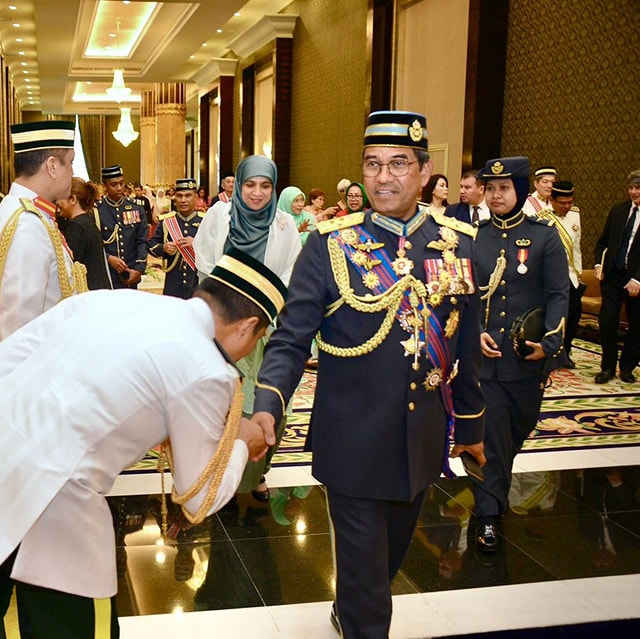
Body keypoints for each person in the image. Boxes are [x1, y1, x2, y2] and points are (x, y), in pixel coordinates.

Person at [0, 249, 286, 639]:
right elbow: (200, 496)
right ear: (246, 326)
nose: (253, 347)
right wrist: (242, 442)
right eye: (259, 337)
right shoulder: (208, 370)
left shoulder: (111, 299)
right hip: (53, 508)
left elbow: (4, 362)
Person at [251, 111, 486, 639]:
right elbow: (291, 337)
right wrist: (266, 403)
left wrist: (470, 430)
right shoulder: (329, 244)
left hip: (421, 439)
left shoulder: (456, 241)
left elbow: (464, 346)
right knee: (371, 597)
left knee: (382, 564)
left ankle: (350, 607)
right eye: (373, 164)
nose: (383, 177)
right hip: (351, 440)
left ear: (424, 172)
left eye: (399, 163)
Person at [471, 156, 568, 555]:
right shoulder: (473, 236)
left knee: (517, 429)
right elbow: (464, 293)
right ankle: (488, 512)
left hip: (527, 358)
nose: (495, 195)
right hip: (485, 360)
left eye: (504, 188)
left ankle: (494, 488)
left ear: (521, 192)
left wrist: (550, 343)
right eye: (490, 188)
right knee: (490, 435)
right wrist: (474, 334)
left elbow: (559, 294)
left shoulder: (544, 236)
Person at [194, 155, 301, 502]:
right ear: (239, 184)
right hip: (220, 328)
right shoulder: (218, 215)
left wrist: (263, 315)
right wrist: (226, 311)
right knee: (219, 402)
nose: (257, 193)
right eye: (250, 184)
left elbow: (289, 274)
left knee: (266, 400)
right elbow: (204, 260)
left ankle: (256, 474)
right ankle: (218, 471)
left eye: (266, 186)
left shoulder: (285, 225)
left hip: (265, 328)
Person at [0, 121, 85, 344]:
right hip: (37, 370)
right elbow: (22, 330)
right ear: (52, 166)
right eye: (70, 163)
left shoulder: (26, 212)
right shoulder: (26, 224)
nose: (72, 172)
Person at [592, 169, 640, 384]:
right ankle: (607, 367)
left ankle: (627, 367)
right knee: (607, 321)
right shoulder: (619, 210)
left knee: (637, 326)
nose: (633, 192)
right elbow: (603, 241)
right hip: (613, 277)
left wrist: (638, 279)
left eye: (637, 188)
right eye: (630, 188)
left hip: (637, 280)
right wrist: (599, 263)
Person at [535, 181, 583, 366]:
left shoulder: (575, 215)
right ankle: (549, 351)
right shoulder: (541, 218)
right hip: (550, 276)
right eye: (563, 203)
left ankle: (566, 352)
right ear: (552, 200)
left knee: (573, 316)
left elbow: (576, 247)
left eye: (570, 202)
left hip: (571, 276)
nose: (567, 206)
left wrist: (578, 273)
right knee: (552, 316)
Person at [148, 178, 204, 299]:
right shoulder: (166, 221)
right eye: (179, 196)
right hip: (174, 284)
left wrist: (197, 244)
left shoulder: (204, 221)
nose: (183, 200)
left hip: (197, 282)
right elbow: (151, 245)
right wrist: (164, 248)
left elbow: (216, 248)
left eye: (188, 196)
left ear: (196, 197)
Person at [95, 165, 149, 290]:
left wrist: (139, 269)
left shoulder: (136, 208)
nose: (119, 188)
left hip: (131, 271)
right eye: (114, 185)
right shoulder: (97, 210)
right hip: (107, 272)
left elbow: (142, 241)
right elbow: (95, 244)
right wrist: (108, 258)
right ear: (105, 186)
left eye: (121, 183)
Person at [57, 177, 112, 291]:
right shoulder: (87, 220)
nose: (57, 203)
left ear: (72, 199)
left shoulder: (76, 227)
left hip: (88, 292)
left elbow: (70, 265)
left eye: (60, 198)